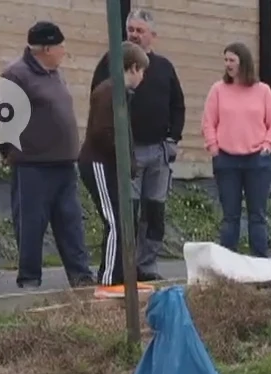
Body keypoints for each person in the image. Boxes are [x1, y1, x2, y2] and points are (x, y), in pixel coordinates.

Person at [90, 8, 183, 282]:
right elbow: (99, 100)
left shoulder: (164, 67)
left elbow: (177, 105)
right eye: (131, 29)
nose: (134, 34)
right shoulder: (110, 62)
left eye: (140, 31)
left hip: (159, 151)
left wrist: (172, 139)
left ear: (152, 35)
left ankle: (147, 264)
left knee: (154, 211)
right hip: (128, 151)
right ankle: (123, 265)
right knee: (127, 211)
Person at [0, 21, 93, 290]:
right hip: (33, 164)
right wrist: (8, 151)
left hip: (64, 164)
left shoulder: (56, 74)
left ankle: (80, 276)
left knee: (71, 222)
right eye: (61, 46)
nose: (65, 51)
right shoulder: (16, 75)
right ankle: (29, 278)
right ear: (47, 48)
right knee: (31, 224)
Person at [80, 43, 148, 296]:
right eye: (143, 71)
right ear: (134, 68)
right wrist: (122, 159)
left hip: (110, 164)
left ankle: (120, 275)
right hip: (98, 163)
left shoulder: (119, 93)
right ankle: (108, 278)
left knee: (124, 218)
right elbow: (103, 133)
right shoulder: (108, 92)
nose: (143, 77)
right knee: (115, 220)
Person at [201, 42, 271, 258]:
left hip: (258, 161)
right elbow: (208, 122)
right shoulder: (217, 90)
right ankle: (228, 269)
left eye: (232, 60)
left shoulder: (263, 91)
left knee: (257, 216)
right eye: (225, 60)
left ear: (243, 62)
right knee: (230, 216)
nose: (227, 64)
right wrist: (214, 147)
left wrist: (267, 145)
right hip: (226, 160)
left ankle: (260, 268)